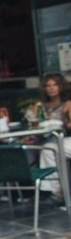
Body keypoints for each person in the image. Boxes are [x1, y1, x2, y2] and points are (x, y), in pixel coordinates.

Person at [37, 73, 71, 203]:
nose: (51, 88)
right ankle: (51, 191)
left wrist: (66, 122)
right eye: (48, 85)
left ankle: (57, 193)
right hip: (50, 139)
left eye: (55, 85)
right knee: (42, 148)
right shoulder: (41, 105)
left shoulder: (67, 104)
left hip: (63, 138)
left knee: (48, 148)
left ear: (61, 86)